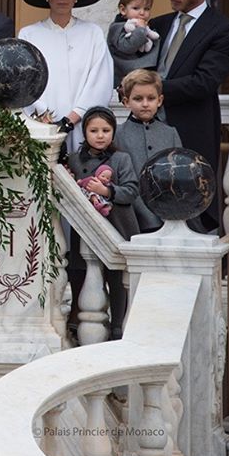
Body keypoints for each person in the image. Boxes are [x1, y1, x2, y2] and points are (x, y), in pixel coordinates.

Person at [150, 0, 229, 232]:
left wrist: (150, 89)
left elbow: (204, 82)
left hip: (191, 130)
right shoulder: (158, 25)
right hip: (149, 131)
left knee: (193, 213)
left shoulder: (223, 29)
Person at [19, 0, 114, 154]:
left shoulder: (92, 33)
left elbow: (100, 81)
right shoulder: (29, 35)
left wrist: (71, 119)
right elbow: (24, 81)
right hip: (42, 126)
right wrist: (45, 116)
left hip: (83, 127)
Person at [67, 106, 139, 340]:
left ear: (113, 132)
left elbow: (131, 191)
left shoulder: (121, 159)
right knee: (82, 272)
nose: (100, 136)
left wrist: (106, 190)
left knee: (116, 277)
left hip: (117, 226)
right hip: (85, 229)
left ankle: (118, 326)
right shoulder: (74, 159)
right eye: (94, 130)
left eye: (106, 130)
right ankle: (82, 324)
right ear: (85, 132)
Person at [114, 69, 182, 233]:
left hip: (168, 215)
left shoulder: (170, 133)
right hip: (133, 214)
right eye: (138, 99)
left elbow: (180, 172)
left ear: (159, 100)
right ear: (126, 102)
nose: (145, 104)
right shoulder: (118, 134)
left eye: (151, 98)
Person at [107, 0, 160, 88]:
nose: (142, 13)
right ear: (123, 10)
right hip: (124, 78)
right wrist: (141, 30)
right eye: (136, 8)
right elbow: (127, 47)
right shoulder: (117, 28)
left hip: (147, 76)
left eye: (146, 9)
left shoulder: (148, 28)